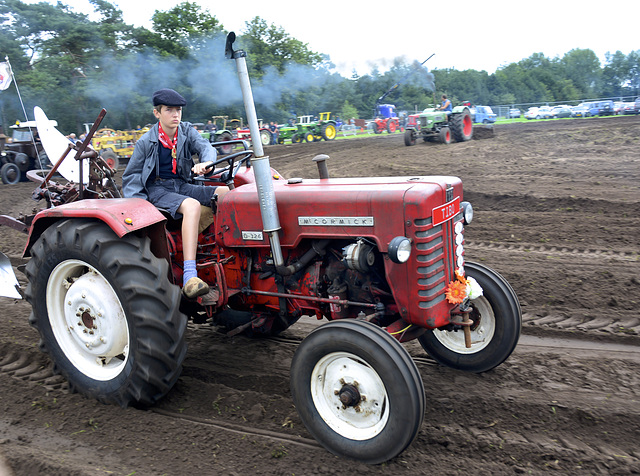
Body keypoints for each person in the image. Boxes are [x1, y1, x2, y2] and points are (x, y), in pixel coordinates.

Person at [122, 88, 229, 298]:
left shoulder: (187, 131)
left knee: (226, 194)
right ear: (157, 113)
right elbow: (132, 175)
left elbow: (205, 146)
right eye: (169, 110)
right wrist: (139, 208)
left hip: (182, 185)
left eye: (178, 110)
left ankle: (226, 254)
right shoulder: (146, 142)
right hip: (158, 189)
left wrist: (206, 162)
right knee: (192, 205)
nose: (175, 115)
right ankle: (190, 275)